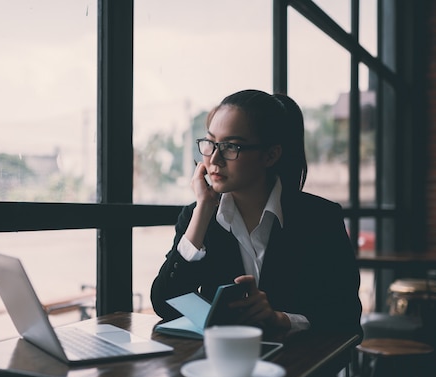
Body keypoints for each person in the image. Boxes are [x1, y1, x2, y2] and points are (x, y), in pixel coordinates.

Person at [150, 89, 363, 340]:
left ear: (270, 155)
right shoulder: (199, 217)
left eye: (231, 146)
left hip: (298, 369)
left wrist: (280, 319)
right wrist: (203, 209)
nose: (214, 159)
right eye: (210, 143)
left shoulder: (319, 219)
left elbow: (346, 318)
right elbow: (165, 304)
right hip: (220, 367)